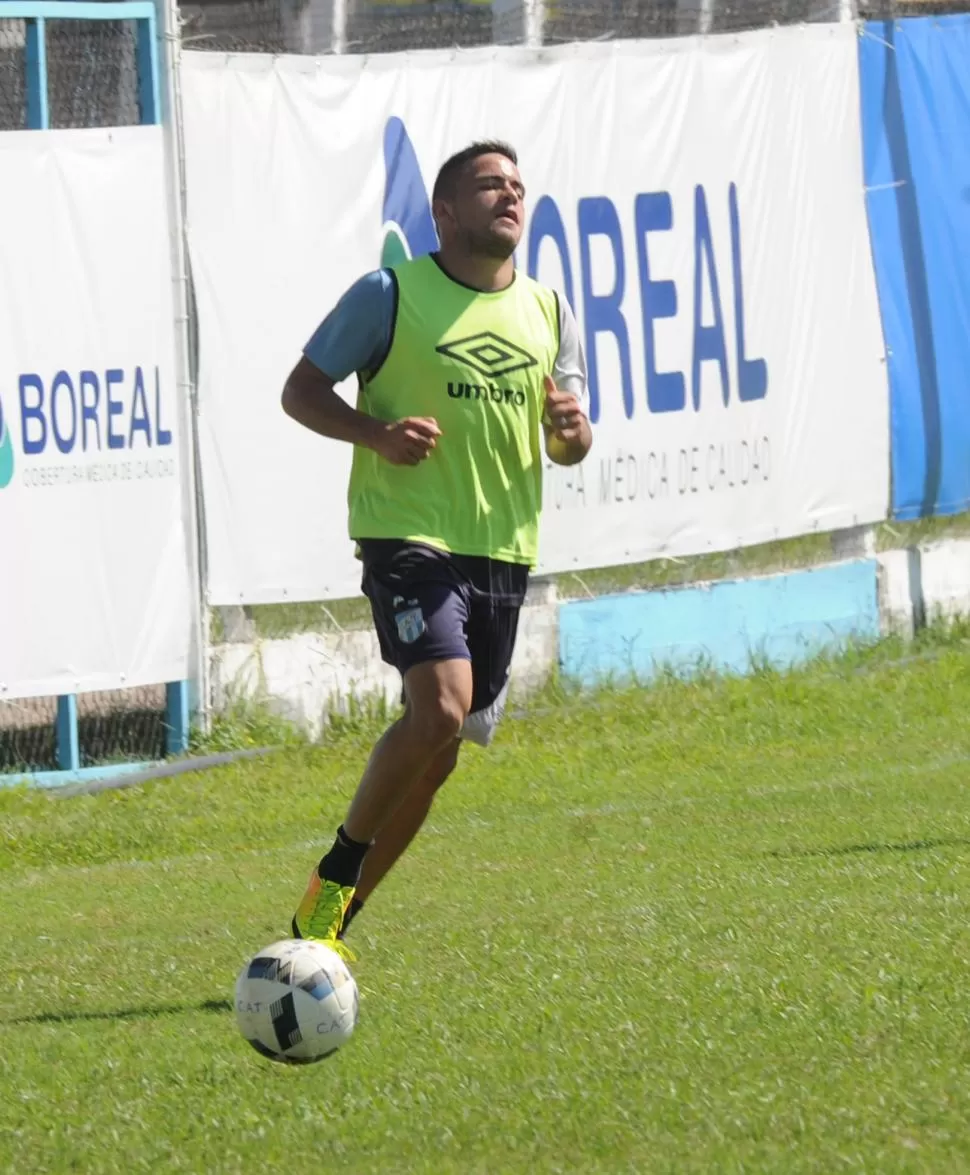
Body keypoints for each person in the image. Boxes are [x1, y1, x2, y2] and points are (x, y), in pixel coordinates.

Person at [280, 140, 593, 960]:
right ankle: (342, 859)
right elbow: (301, 391)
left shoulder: (550, 311)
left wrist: (573, 435)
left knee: (441, 753)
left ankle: (327, 927)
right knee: (443, 704)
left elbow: (569, 441)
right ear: (446, 212)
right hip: (408, 537)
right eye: (490, 184)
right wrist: (376, 433)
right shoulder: (390, 295)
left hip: (502, 550)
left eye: (518, 185)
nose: (510, 195)